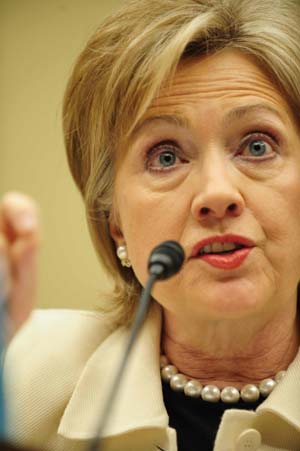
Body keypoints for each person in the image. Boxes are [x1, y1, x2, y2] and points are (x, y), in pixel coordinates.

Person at [2, 0, 300, 449]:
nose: (217, 194)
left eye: (257, 146)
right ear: (114, 221)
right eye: (165, 156)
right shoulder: (24, 373)